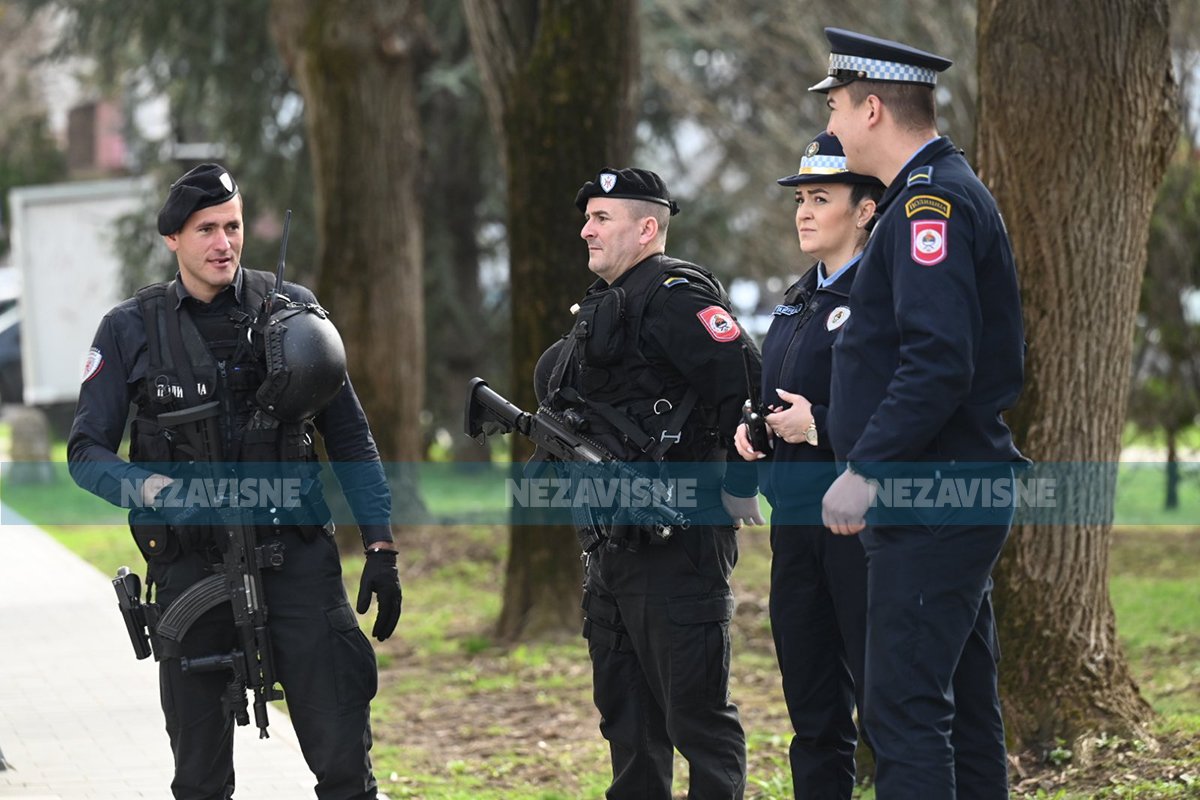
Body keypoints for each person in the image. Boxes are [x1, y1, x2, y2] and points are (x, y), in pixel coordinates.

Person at [67, 163, 402, 800]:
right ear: (173, 239)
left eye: (233, 226)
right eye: (206, 230)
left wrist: (381, 546)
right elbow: (86, 451)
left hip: (299, 561)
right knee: (198, 779)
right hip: (193, 565)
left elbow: (351, 437)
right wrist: (153, 490)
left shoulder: (295, 312)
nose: (224, 242)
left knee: (344, 768)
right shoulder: (129, 328)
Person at [809, 28, 1027, 800]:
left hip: (932, 495)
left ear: (872, 107)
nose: (829, 127)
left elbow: (938, 360)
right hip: (945, 492)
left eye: (834, 108)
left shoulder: (929, 204)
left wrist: (864, 467)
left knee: (902, 714)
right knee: (964, 711)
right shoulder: (921, 198)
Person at [538, 167, 764, 800]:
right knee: (628, 722)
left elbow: (747, 388)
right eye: (586, 218)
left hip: (680, 545)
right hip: (612, 546)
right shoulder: (602, 307)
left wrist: (741, 485)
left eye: (601, 218)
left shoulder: (677, 300)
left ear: (646, 228)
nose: (586, 229)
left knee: (697, 719)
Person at [733, 132, 882, 798]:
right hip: (794, 526)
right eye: (800, 199)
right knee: (812, 707)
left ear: (865, 210)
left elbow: (903, 403)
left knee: (884, 703)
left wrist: (818, 424)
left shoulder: (883, 295)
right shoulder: (795, 300)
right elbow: (775, 398)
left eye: (822, 198)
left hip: (860, 525)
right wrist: (756, 432)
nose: (804, 212)